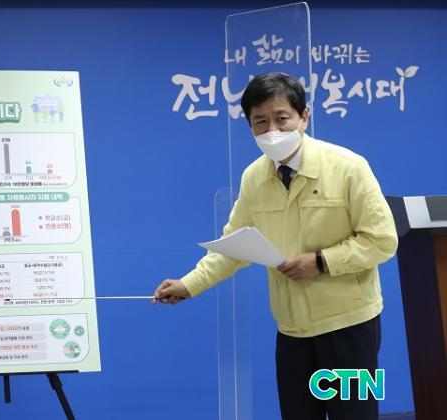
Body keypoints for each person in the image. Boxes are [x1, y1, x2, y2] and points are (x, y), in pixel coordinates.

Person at [153, 72, 397, 420]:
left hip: (348, 327)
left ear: (304, 116)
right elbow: (233, 245)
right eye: (260, 122)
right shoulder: (254, 178)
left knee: (355, 415)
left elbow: (381, 240)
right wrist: (189, 284)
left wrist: (321, 261)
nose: (272, 131)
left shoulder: (348, 168)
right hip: (292, 330)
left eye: (282, 118)